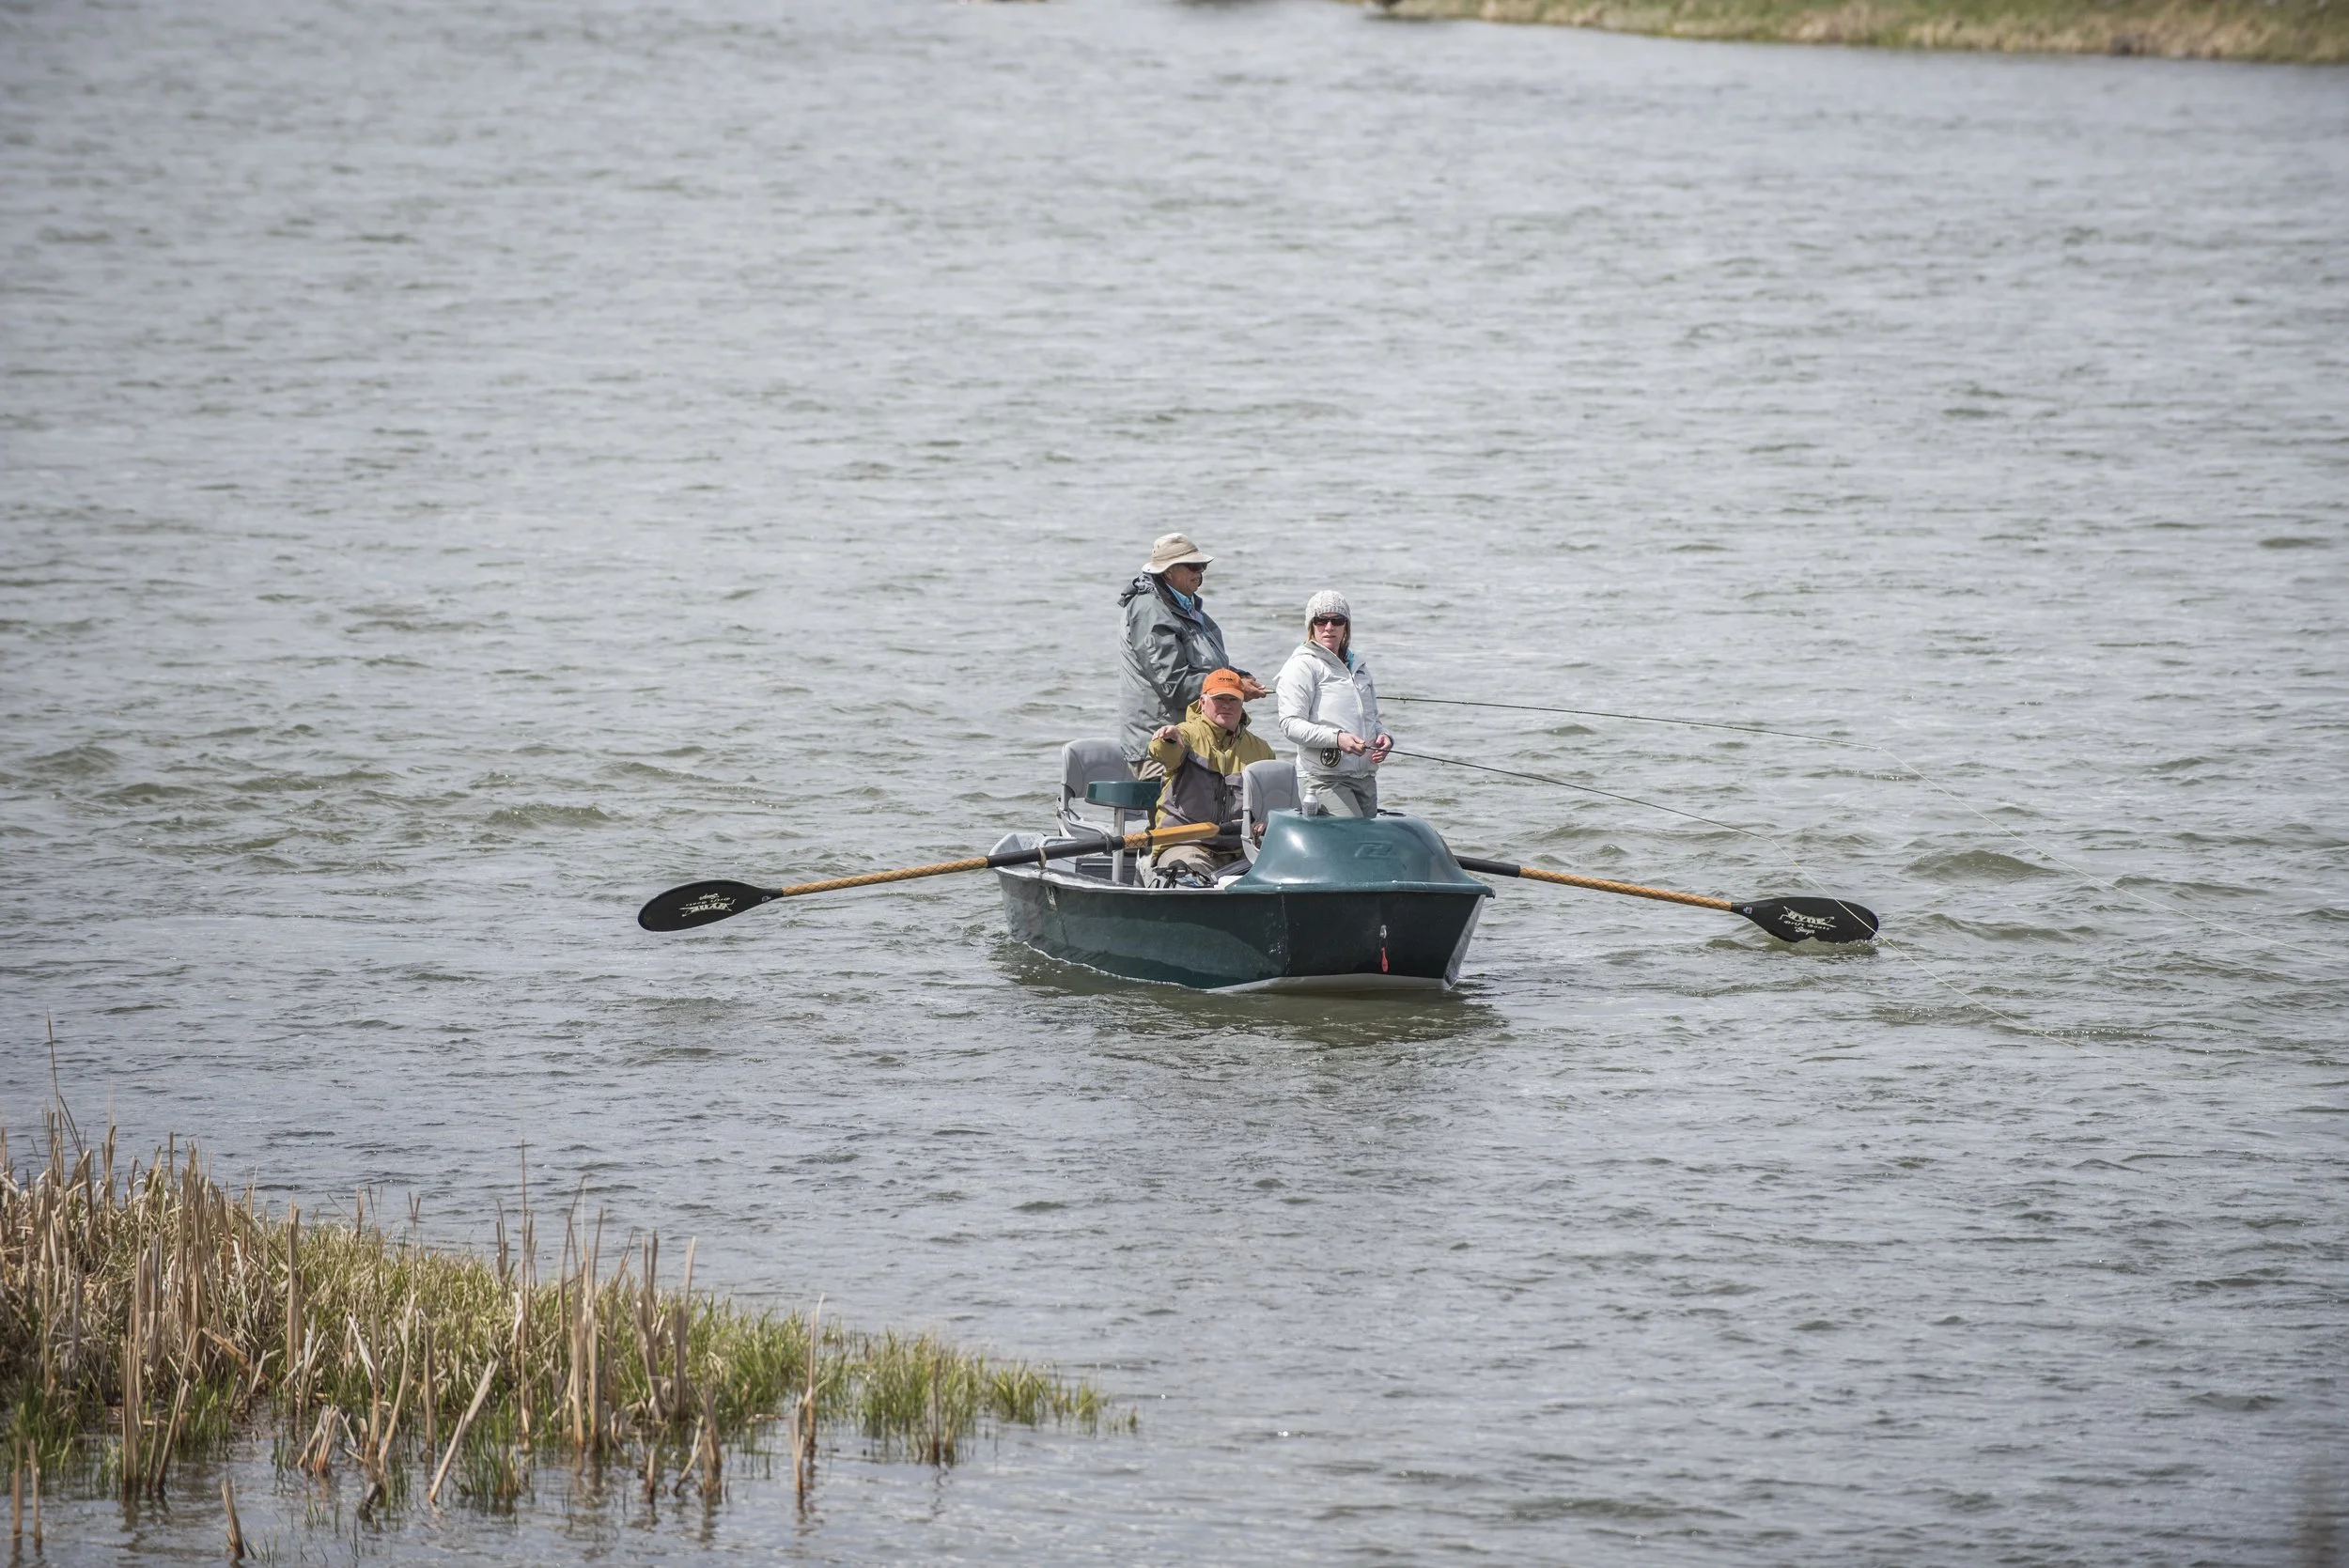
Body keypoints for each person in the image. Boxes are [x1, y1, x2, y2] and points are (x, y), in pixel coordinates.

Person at [1118, 533, 1268, 773]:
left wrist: (1239, 676)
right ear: (1168, 571)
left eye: (1203, 566)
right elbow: (1174, 685)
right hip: (1160, 746)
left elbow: (1211, 668)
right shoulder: (1150, 611)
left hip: (1195, 742)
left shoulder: (1188, 607)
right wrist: (1236, 686)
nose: (1200, 573)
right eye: (1193, 566)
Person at [1142, 668, 1274, 887]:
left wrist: (1265, 820)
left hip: (1240, 849)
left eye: (1233, 699)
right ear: (1202, 702)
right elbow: (1162, 751)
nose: (1226, 705)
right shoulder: (1186, 734)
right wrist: (1167, 739)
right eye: (1218, 698)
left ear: (1242, 703)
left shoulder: (1262, 750)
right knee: (1190, 881)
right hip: (1186, 844)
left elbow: (1273, 804)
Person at [1275, 590, 1392, 818]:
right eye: (1321, 620)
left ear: (1345, 626)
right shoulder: (1302, 666)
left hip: (1365, 777)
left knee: (1368, 846)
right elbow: (1290, 724)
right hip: (1323, 779)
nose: (1329, 627)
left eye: (1336, 620)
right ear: (1311, 625)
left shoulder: (1358, 666)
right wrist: (1337, 739)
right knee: (1353, 838)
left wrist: (1384, 737)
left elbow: (1373, 719)